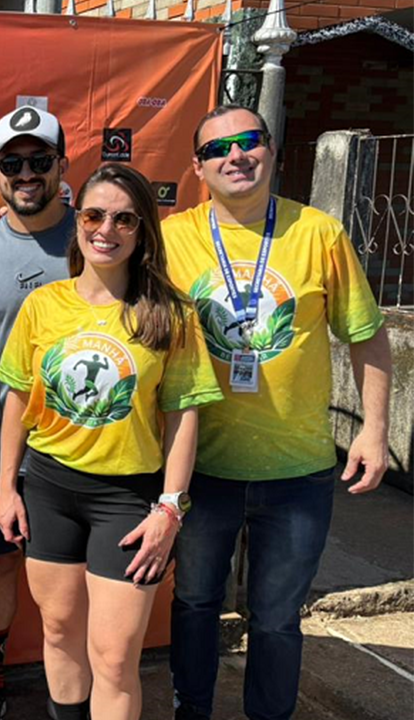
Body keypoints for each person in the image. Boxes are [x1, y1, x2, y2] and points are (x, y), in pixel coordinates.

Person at [165, 106, 392, 720]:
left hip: (297, 471)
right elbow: (96, 267)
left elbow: (367, 335)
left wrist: (374, 430)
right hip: (201, 468)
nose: (235, 156)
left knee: (276, 618)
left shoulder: (319, 233)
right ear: (198, 168)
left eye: (249, 141)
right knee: (195, 604)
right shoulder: (170, 238)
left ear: (271, 149)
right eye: (217, 149)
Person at [0, 163, 223, 720]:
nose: (106, 229)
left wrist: (170, 508)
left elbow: (183, 415)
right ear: (77, 220)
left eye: (124, 219)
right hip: (48, 489)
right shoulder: (43, 304)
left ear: (143, 230)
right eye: (94, 215)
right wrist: (6, 487)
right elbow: (18, 401)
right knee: (58, 633)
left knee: (116, 659)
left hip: (127, 498)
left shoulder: (170, 313)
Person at [0, 105, 76, 720]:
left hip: (81, 450)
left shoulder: (99, 235)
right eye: (12, 162)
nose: (26, 173)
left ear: (62, 165)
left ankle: (73, 693)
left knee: (72, 583)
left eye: (39, 160)